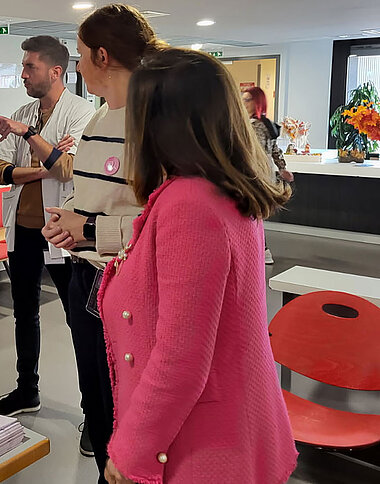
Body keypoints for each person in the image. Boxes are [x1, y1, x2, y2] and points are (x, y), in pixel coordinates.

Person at [97, 47, 297, 484]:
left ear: (159, 122)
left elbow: (181, 358)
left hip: (200, 445)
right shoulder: (222, 187)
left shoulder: (190, 202)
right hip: (229, 423)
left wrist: (133, 450)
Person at [41, 3, 163, 475]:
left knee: (125, 399)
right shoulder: (96, 121)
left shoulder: (153, 124)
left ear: (103, 56)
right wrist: (73, 224)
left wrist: (92, 231)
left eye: (80, 56)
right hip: (86, 276)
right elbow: (98, 199)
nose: (78, 67)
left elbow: (168, 225)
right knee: (95, 394)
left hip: (128, 283)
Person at [0, 35, 95, 417]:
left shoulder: (82, 113)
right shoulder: (23, 111)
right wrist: (43, 160)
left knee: (77, 320)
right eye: (23, 66)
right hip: (23, 231)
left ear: (55, 71)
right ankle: (26, 390)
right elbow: (0, 171)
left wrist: (29, 138)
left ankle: (92, 411)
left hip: (61, 232)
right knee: (25, 313)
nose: (23, 74)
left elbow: (67, 168)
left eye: (30, 67)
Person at [242, 86, 293, 264]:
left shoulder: (255, 126)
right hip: (262, 175)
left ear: (257, 102)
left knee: (253, 213)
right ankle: (260, 249)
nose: (243, 103)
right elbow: (275, 150)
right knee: (254, 213)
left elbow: (254, 153)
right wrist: (282, 167)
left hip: (255, 176)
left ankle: (262, 250)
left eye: (247, 99)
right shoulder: (266, 124)